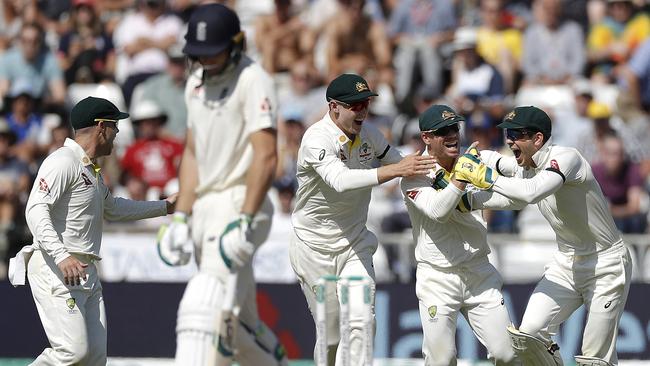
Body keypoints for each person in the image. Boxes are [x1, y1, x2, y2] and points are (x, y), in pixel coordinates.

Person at [156, 4, 288, 366]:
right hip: (204, 208)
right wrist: (181, 217)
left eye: (213, 53)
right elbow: (194, 154)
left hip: (242, 202)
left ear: (235, 44)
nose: (207, 62)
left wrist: (246, 219)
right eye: (200, 55)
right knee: (236, 320)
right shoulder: (195, 84)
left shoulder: (252, 79)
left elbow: (265, 155)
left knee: (202, 306)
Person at [456, 106, 633, 365]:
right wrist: (469, 197)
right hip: (567, 263)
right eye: (508, 134)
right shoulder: (527, 165)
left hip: (605, 264)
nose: (509, 140)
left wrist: (485, 176)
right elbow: (513, 196)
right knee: (528, 337)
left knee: (594, 358)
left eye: (516, 135)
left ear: (538, 139)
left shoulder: (566, 158)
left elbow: (531, 192)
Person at [12, 96, 175, 365]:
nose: (118, 133)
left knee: (94, 359)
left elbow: (113, 209)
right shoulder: (63, 161)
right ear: (101, 126)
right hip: (57, 267)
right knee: (72, 353)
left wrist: (165, 207)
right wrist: (62, 256)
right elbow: (35, 210)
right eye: (114, 126)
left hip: (85, 272)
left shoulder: (90, 169)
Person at [290, 73, 436, 366]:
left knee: (362, 321)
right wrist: (396, 171)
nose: (362, 111)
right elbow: (340, 181)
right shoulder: (316, 138)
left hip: (354, 243)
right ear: (334, 108)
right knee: (331, 337)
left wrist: (449, 176)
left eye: (365, 104)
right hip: (313, 248)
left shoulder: (370, 135)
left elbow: (403, 164)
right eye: (355, 105)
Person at [399, 105, 516, 365]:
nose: (452, 135)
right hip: (437, 278)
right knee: (442, 359)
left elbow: (513, 174)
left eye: (454, 128)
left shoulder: (477, 159)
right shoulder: (414, 175)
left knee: (506, 354)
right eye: (443, 131)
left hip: (478, 274)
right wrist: (461, 177)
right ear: (426, 138)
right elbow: (438, 211)